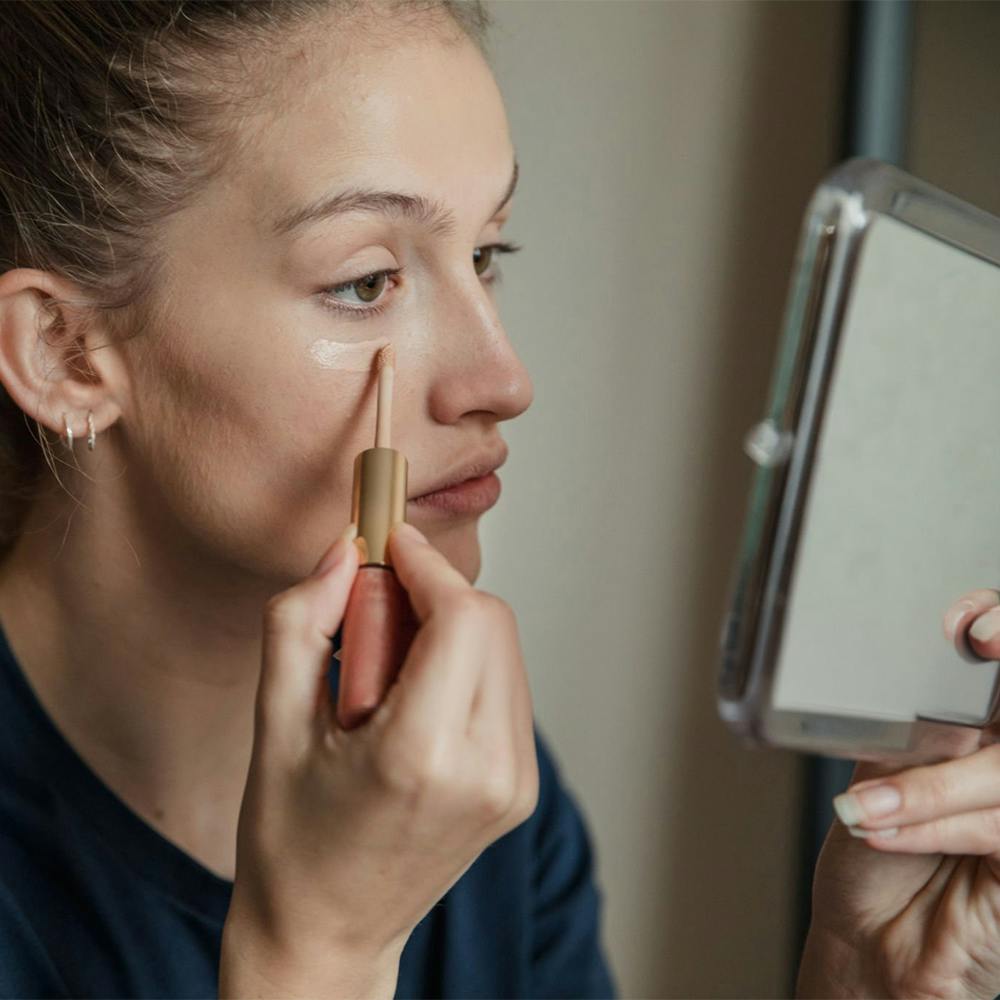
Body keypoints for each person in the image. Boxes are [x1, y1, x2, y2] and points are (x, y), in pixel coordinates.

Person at [0, 1, 616, 996]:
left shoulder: (457, 778)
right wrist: (317, 952)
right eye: (368, 280)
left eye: (486, 255)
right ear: (65, 353)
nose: (503, 379)